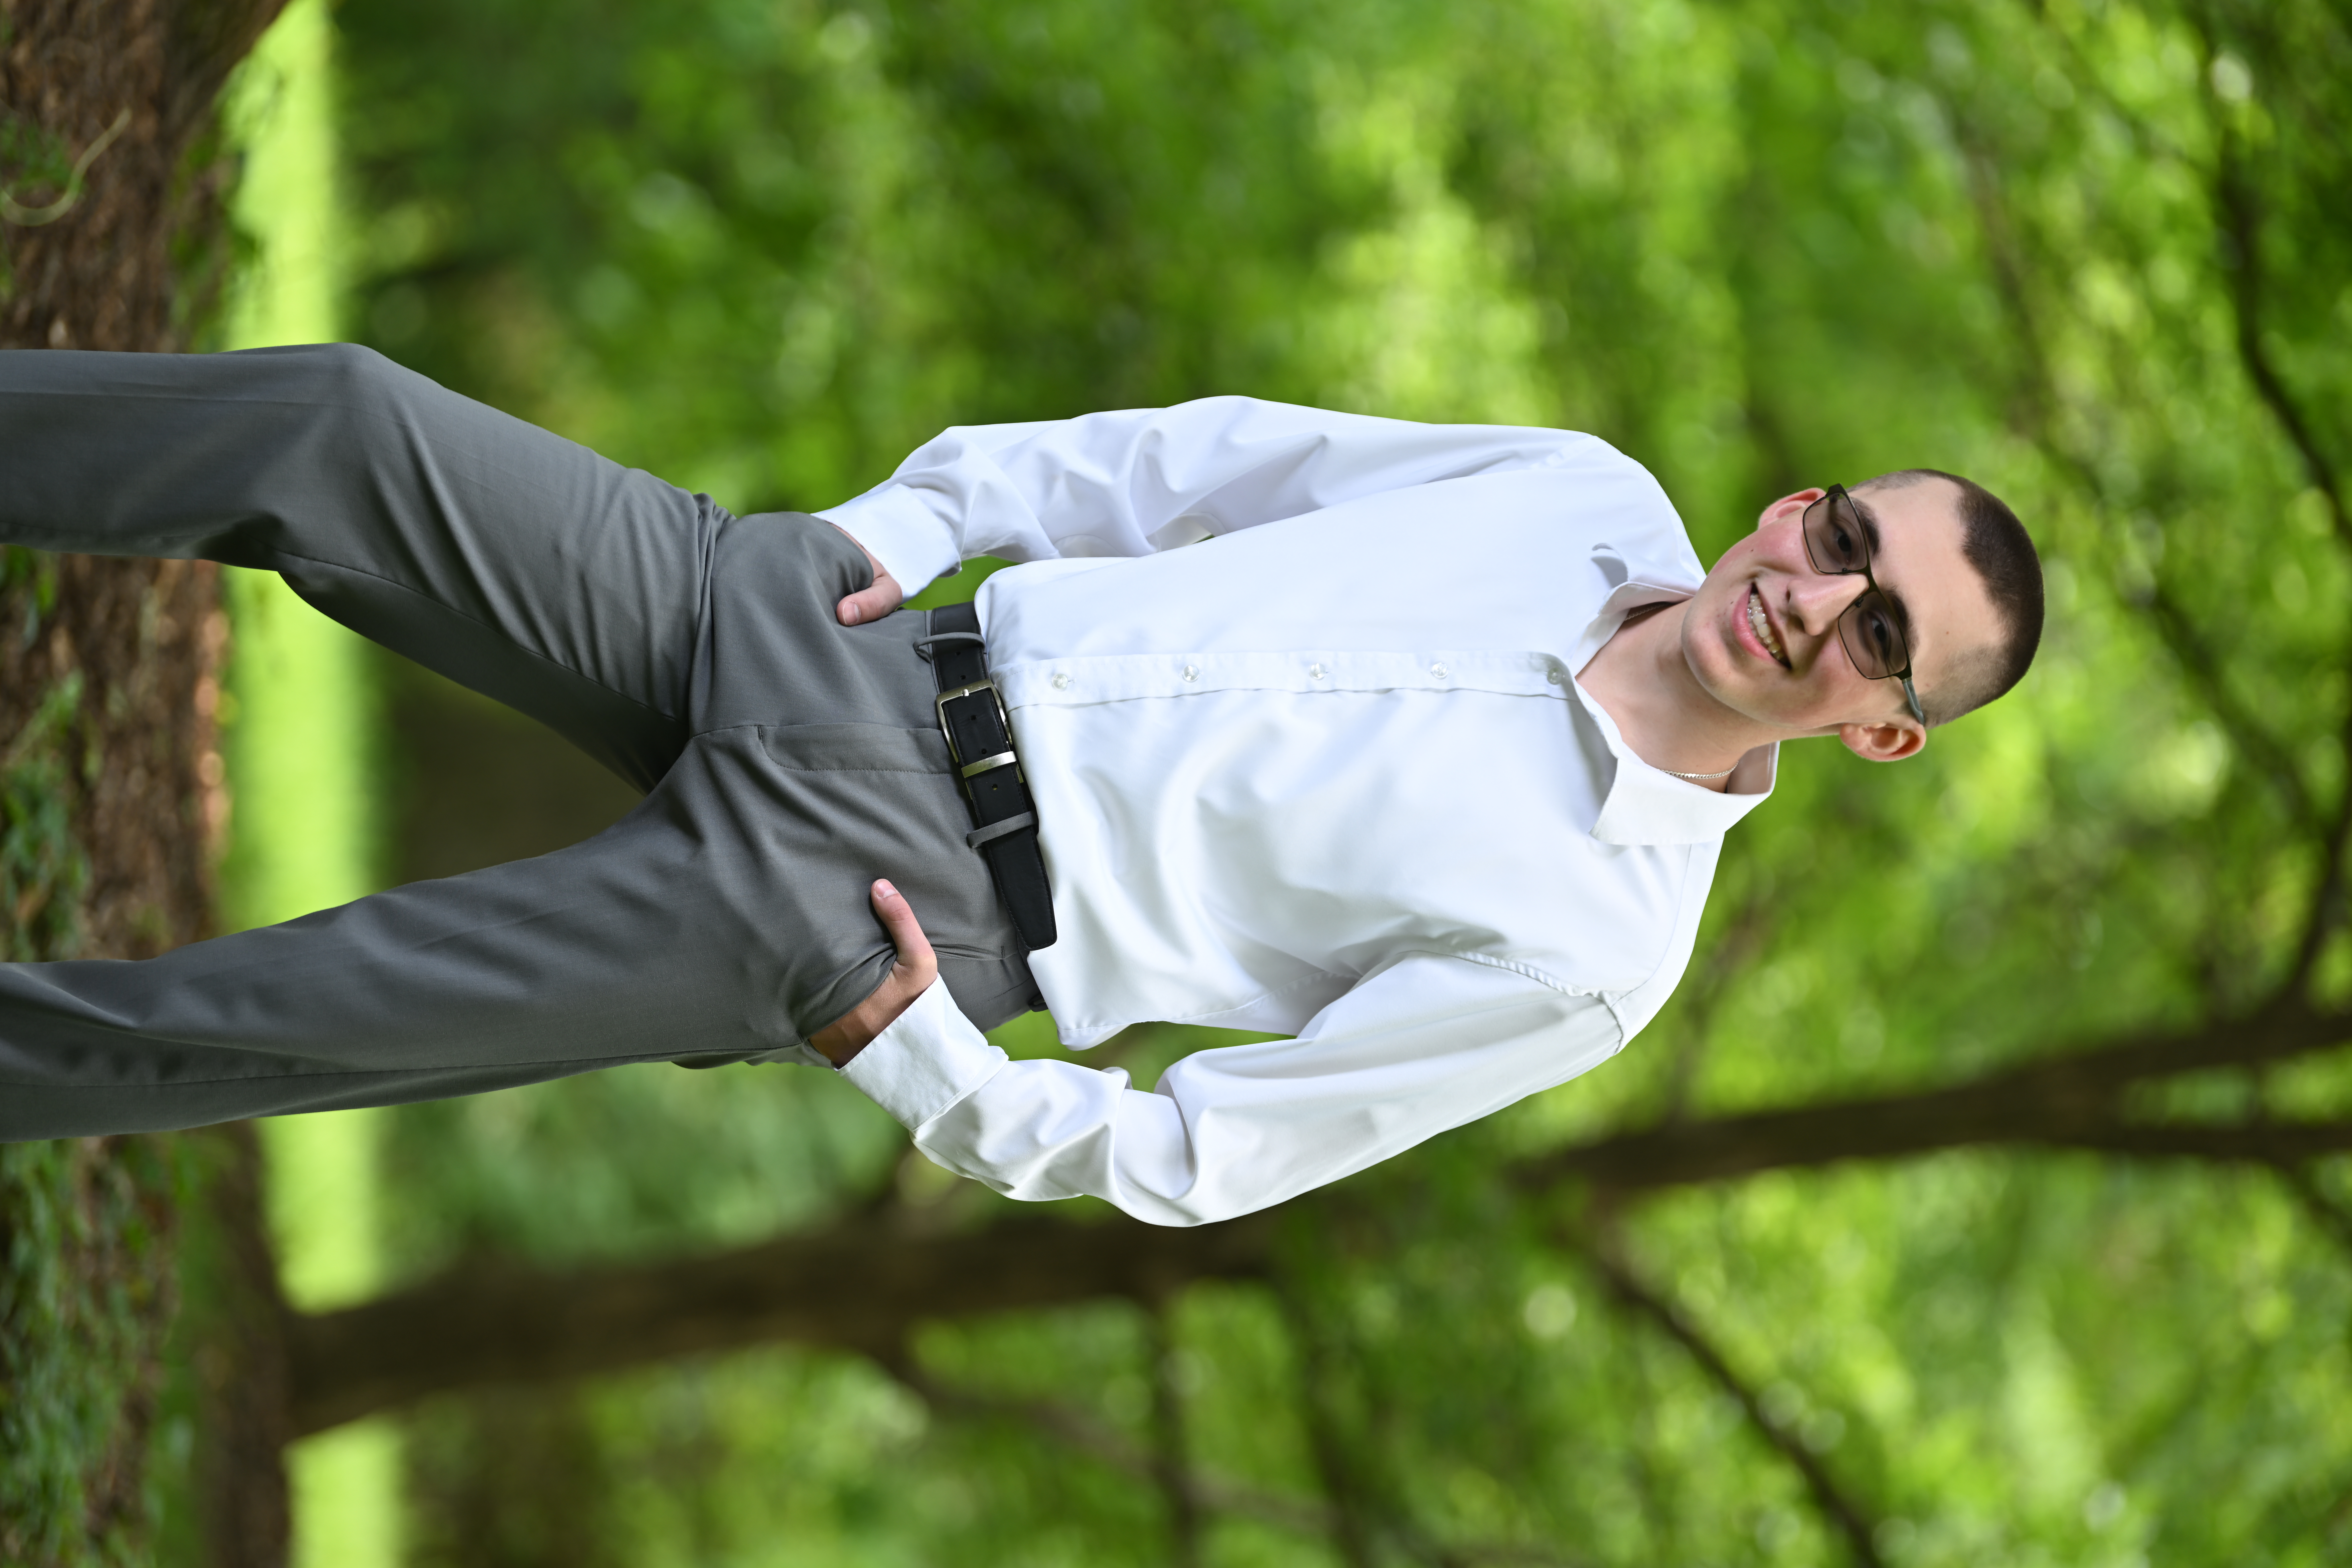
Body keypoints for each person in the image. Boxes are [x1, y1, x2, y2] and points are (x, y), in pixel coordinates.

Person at [0, 344, 2042, 1225]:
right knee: (344, 427)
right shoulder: (1575, 492)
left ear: (1885, 730)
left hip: (885, 910)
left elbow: (1214, 1155)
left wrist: (927, 1069)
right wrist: (920, 512)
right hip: (849, 627)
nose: (1817, 598)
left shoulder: (1603, 946)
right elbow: (1194, 461)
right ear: (1800, 503)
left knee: (263, 1016)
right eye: (1844, 539)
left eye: (1881, 634)